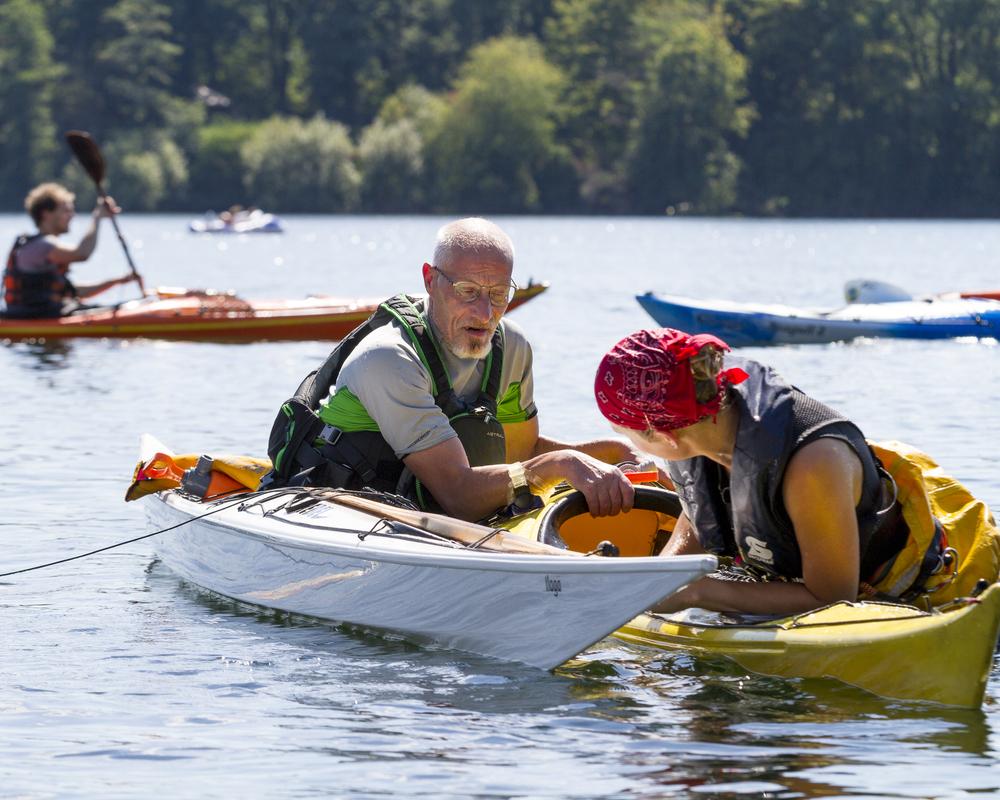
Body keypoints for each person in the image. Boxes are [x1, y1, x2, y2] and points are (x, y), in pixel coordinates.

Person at [593, 327, 995, 616]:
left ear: (664, 436)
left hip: (932, 590)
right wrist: (654, 583)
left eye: (621, 431)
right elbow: (701, 514)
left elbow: (835, 599)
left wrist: (699, 594)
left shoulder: (811, 466)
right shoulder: (700, 425)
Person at [266, 217, 639, 521]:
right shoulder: (388, 359)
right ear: (430, 280)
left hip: (420, 512)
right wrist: (564, 464)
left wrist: (611, 453)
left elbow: (518, 455)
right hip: (329, 510)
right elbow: (460, 495)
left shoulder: (513, 348)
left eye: (498, 295)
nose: (484, 313)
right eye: (467, 291)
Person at [2, 182, 137, 318]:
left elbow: (72, 291)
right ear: (46, 214)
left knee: (116, 307)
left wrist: (116, 281)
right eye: (66, 211)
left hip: (47, 313)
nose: (72, 215)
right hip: (35, 316)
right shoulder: (42, 246)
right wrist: (97, 218)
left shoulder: (42, 245)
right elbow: (82, 254)